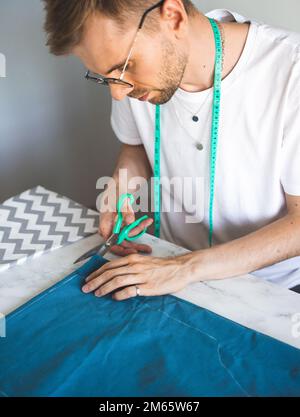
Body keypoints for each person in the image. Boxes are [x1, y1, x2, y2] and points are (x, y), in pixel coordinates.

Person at [43, 1, 300, 300]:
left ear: (174, 18)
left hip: (273, 290)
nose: (117, 91)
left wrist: (185, 268)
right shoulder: (130, 82)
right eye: (105, 77)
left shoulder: (291, 73)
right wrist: (122, 189)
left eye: (123, 67)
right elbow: (136, 146)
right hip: (166, 263)